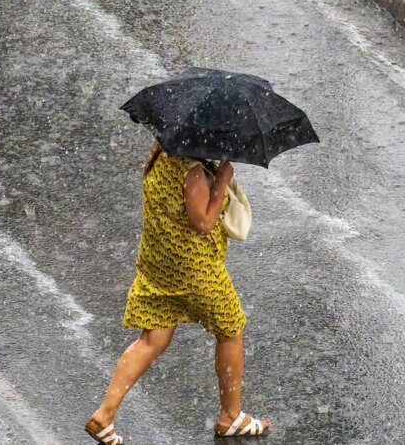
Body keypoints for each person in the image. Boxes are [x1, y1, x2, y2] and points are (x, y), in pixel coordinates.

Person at [85, 141, 270, 444]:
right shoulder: (192, 170)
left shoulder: (159, 156)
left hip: (159, 264)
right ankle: (230, 417)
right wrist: (222, 181)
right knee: (231, 330)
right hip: (195, 269)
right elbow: (203, 222)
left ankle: (104, 415)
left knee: (151, 340)